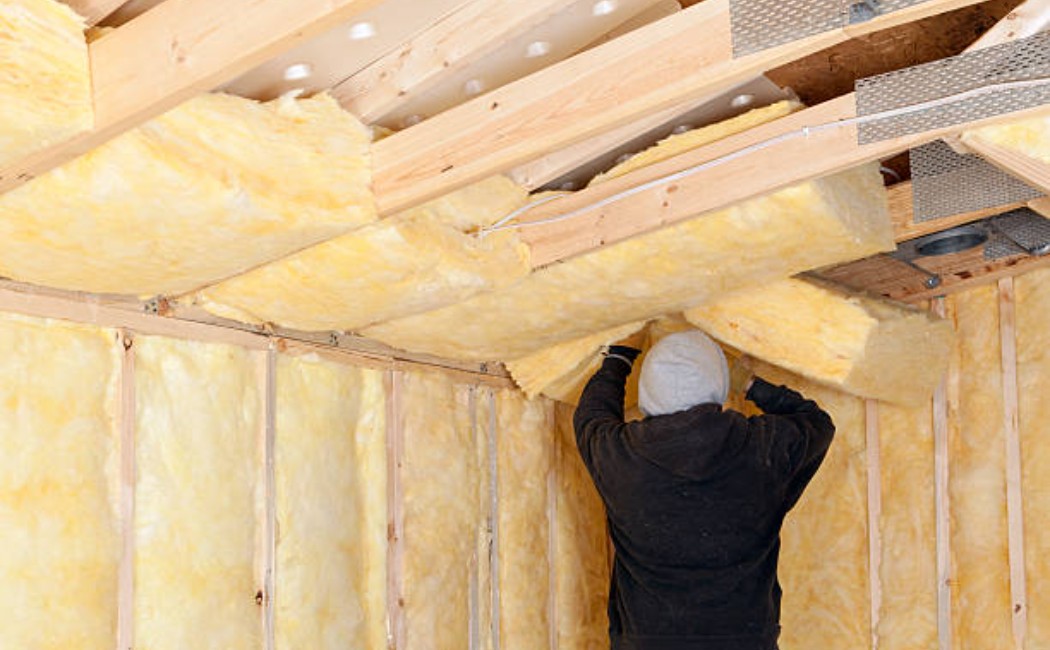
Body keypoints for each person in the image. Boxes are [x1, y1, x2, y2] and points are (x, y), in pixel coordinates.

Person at [573, 329, 835, 650]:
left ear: (648, 393)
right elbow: (817, 422)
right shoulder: (763, 448)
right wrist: (749, 384)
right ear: (717, 387)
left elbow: (591, 416)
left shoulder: (620, 458)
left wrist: (619, 358)